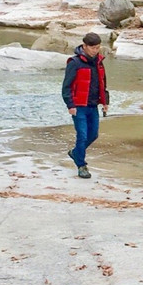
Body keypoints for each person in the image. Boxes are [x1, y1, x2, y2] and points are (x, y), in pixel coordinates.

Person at [62, 32, 109, 179]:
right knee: (82, 136)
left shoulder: (99, 62)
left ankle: (75, 153)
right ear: (84, 46)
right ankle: (81, 165)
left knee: (93, 134)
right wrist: (70, 105)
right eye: (93, 48)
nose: (96, 50)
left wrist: (105, 102)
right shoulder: (74, 63)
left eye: (98, 48)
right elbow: (66, 87)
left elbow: (103, 84)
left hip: (93, 105)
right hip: (78, 106)